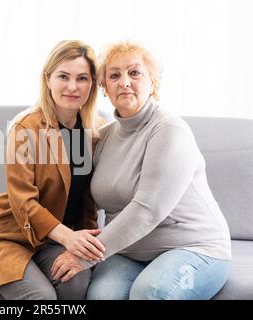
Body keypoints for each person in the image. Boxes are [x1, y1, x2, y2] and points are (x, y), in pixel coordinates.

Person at [51, 41, 232, 300]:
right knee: (102, 297)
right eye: (114, 75)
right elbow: (74, 195)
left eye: (134, 73)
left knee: (150, 292)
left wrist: (82, 256)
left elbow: (148, 209)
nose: (124, 82)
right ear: (104, 88)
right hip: (128, 252)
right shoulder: (102, 137)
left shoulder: (169, 130)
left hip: (194, 247)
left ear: (153, 83)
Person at [0, 40, 106, 300]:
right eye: (64, 76)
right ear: (48, 79)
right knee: (41, 299)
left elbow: (88, 201)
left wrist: (83, 246)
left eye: (82, 78)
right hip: (12, 237)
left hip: (57, 242)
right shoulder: (25, 128)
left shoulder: (96, 131)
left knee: (76, 286)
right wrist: (68, 237)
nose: (72, 86)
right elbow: (22, 202)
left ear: (92, 84)